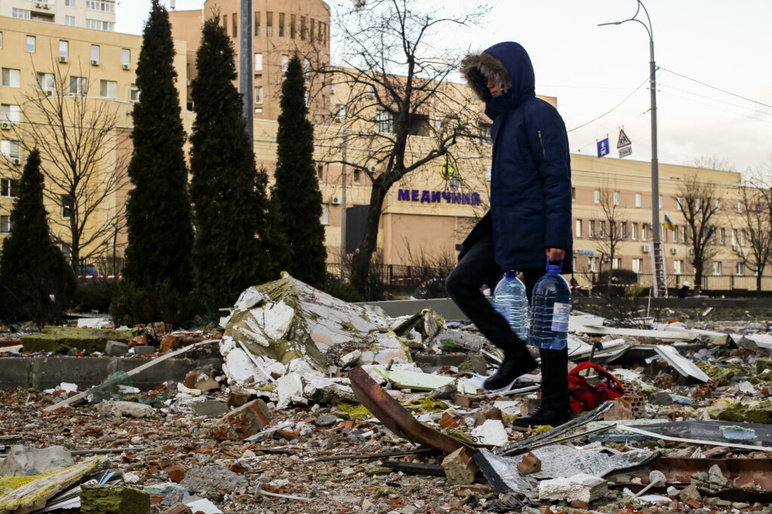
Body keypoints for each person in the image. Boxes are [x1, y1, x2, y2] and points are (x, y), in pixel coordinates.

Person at [446, 42, 573, 427]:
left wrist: (557, 239)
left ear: (510, 76)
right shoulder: (501, 121)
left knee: (548, 320)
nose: (491, 87)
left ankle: (555, 406)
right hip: (504, 225)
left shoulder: (540, 114)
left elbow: (556, 179)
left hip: (538, 231)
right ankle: (515, 353)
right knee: (461, 282)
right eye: (484, 81)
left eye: (495, 79)